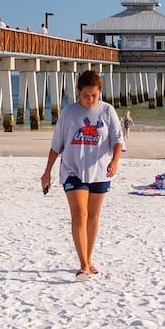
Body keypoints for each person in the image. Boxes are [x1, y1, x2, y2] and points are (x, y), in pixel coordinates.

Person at [43, 70, 125, 282]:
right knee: (79, 214)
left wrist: (115, 161)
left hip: (99, 171)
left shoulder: (107, 111)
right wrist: (47, 172)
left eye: (94, 96)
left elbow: (117, 139)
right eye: (85, 95)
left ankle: (89, 259)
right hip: (73, 170)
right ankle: (83, 265)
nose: (89, 99)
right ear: (78, 92)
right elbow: (56, 145)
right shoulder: (69, 113)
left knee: (93, 216)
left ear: (99, 93)